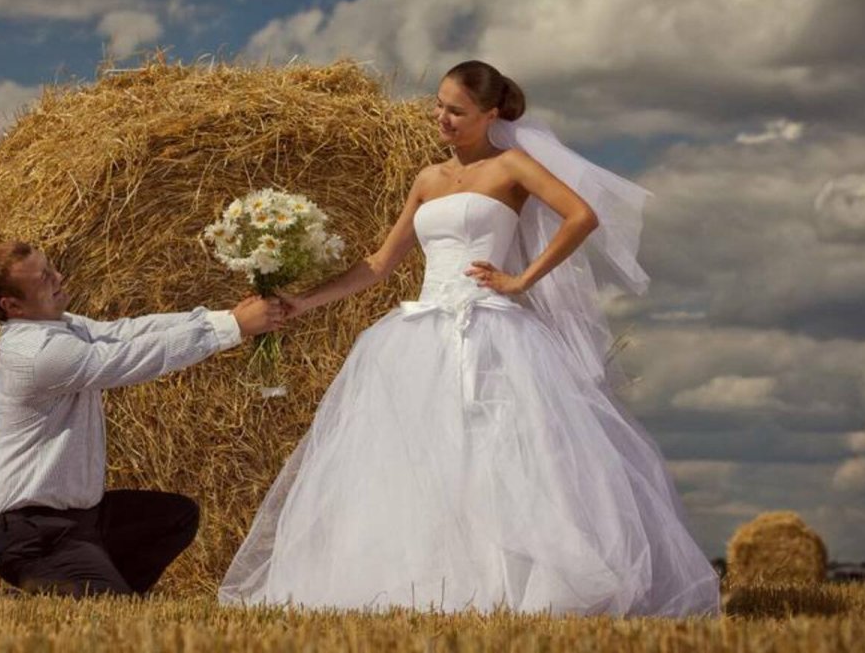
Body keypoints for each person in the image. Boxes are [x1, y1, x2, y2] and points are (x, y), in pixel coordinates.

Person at [219, 61, 720, 616]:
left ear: (491, 114)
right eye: (439, 105)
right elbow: (380, 263)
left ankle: (513, 585)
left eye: (456, 111)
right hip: (420, 330)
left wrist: (522, 280)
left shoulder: (512, 165)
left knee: (502, 454)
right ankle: (417, 584)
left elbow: (582, 216)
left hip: (491, 328)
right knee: (413, 460)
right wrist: (304, 302)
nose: (442, 118)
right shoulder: (427, 180)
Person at [0, 241, 284, 597]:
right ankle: (69, 592)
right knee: (111, 613)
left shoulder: (61, 326)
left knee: (175, 517)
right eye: (43, 277)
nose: (58, 276)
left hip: (82, 520)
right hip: (32, 532)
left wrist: (225, 317)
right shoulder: (37, 353)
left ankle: (80, 586)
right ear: (12, 306)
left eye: (52, 266)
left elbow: (128, 332)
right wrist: (233, 330)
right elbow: (133, 357)